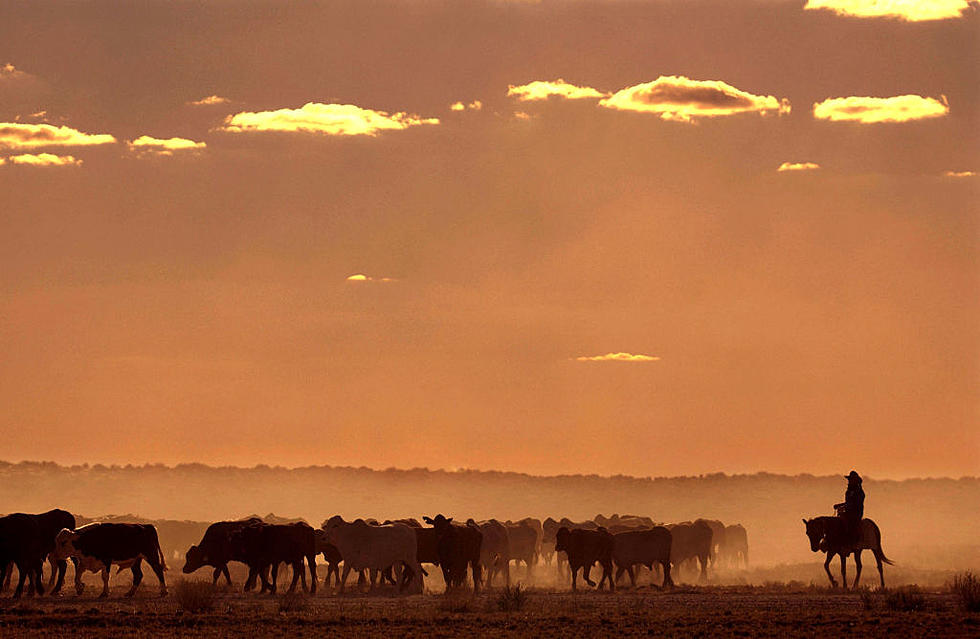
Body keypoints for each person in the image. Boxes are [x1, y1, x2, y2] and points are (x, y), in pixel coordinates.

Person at [834, 470, 865, 545]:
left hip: (856, 513)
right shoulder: (849, 491)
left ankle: (851, 541)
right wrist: (840, 505)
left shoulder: (859, 492)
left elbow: (856, 504)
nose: (848, 482)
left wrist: (844, 506)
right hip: (848, 512)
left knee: (849, 524)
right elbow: (848, 502)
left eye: (850, 480)